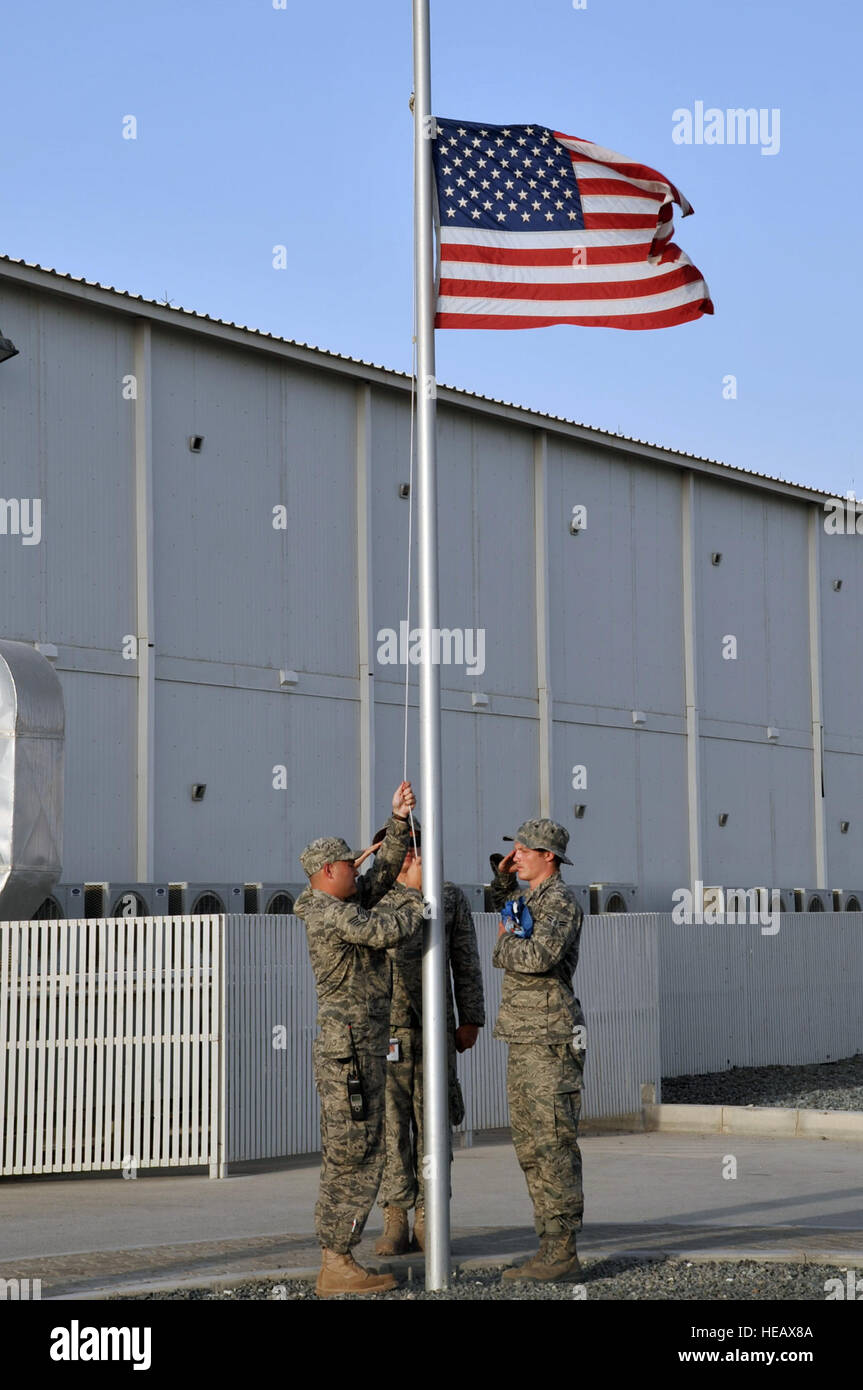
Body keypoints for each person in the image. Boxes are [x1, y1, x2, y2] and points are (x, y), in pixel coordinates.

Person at [293, 781, 425, 1298]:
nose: (360, 867)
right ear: (328, 872)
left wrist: (396, 823)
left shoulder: (336, 899)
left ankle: (339, 1259)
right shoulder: (328, 911)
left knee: (359, 1149)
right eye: (351, 864)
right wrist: (415, 896)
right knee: (355, 1153)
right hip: (348, 1053)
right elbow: (385, 928)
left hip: (357, 1046)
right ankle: (337, 1260)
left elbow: (381, 876)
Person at [372, 822, 486, 1256]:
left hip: (435, 1029)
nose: (406, 855)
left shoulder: (449, 896)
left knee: (433, 1124)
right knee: (391, 1127)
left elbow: (466, 960)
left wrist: (471, 1017)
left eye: (412, 847)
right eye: (398, 847)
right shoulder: (375, 896)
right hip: (387, 1029)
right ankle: (396, 1216)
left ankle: (429, 1215)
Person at [487, 818, 585, 1283]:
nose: (517, 854)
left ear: (550, 856)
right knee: (529, 1147)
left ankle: (562, 1250)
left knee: (553, 1144)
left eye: (525, 849)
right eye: (516, 848)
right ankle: (547, 1243)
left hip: (550, 1039)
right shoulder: (529, 900)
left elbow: (538, 956)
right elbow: (505, 913)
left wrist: (502, 948)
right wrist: (504, 882)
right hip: (523, 1037)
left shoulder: (560, 902)